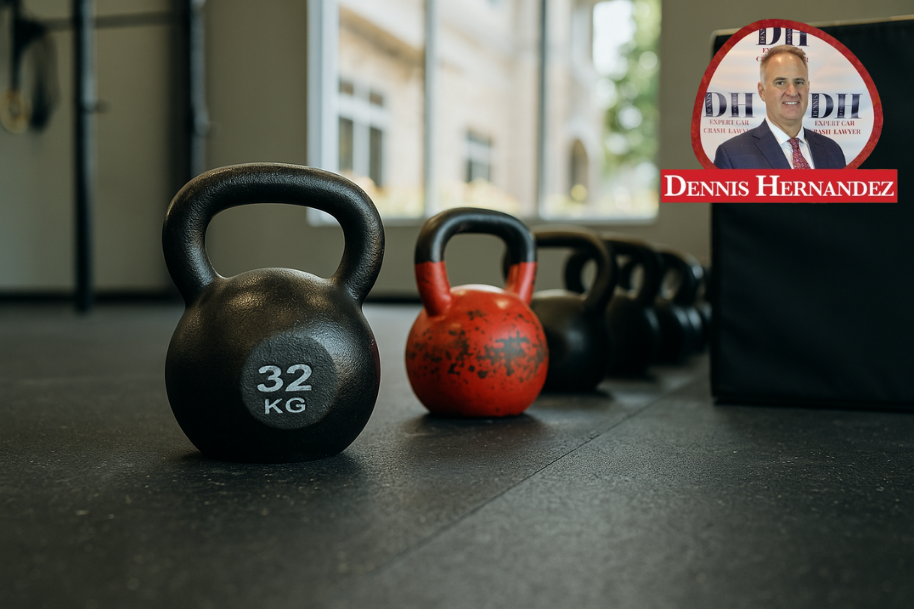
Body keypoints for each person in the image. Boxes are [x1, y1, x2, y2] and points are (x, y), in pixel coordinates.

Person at [713, 45, 846, 169]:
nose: (793, 92)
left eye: (799, 82)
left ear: (808, 87)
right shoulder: (731, 155)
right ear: (762, 91)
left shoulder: (832, 150)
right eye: (780, 82)